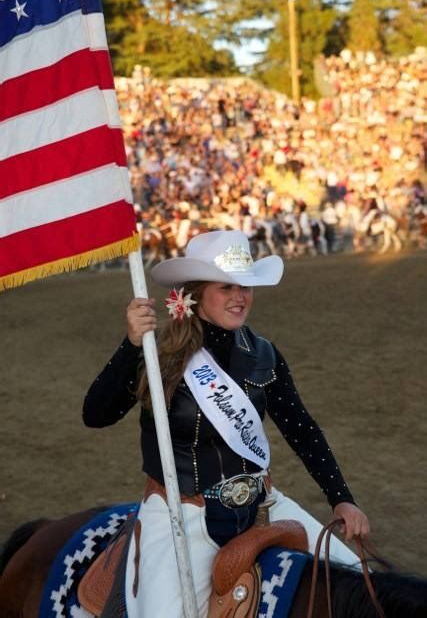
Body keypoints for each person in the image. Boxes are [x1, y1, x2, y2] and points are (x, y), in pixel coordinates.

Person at [83, 229, 369, 617]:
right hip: (181, 514)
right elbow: (96, 414)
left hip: (262, 503)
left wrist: (341, 498)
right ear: (197, 294)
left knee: (356, 585)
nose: (240, 297)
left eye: (246, 287)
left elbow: (301, 429)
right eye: (226, 287)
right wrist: (132, 344)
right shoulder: (157, 354)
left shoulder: (264, 353)